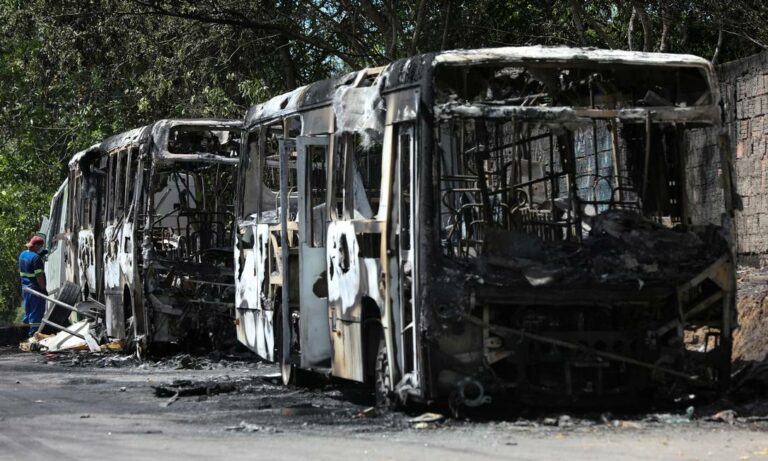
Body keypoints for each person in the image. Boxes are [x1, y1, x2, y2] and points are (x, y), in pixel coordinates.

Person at [18, 235, 47, 337]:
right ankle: (33, 337)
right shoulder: (36, 258)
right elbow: (39, 276)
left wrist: (40, 255)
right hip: (36, 290)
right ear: (36, 246)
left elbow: (28, 265)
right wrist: (43, 289)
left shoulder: (22, 254)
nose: (41, 249)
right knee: (36, 314)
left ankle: (23, 335)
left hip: (26, 289)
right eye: (40, 247)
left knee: (28, 312)